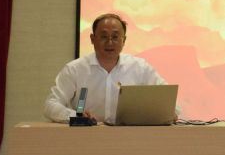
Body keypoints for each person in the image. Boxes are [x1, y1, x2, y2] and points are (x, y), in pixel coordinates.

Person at [44, 12, 179, 124]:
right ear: (92, 39)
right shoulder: (75, 69)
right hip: (86, 137)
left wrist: (169, 113)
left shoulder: (140, 68)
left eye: (115, 37)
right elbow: (51, 104)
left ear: (124, 40)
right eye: (104, 37)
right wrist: (75, 116)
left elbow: (169, 100)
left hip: (130, 138)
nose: (109, 42)